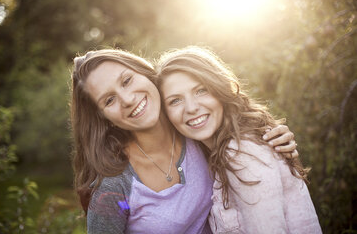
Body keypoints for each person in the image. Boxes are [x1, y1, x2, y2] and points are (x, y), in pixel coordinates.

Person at [70, 48, 299, 233]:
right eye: (109, 100)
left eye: (127, 80)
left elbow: (239, 133)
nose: (127, 99)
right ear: (103, 117)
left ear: (146, 74)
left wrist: (272, 140)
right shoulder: (115, 191)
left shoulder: (193, 129)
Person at [157, 46, 322, 234]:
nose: (191, 107)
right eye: (175, 101)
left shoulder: (242, 150)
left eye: (201, 90)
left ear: (219, 89)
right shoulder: (208, 153)